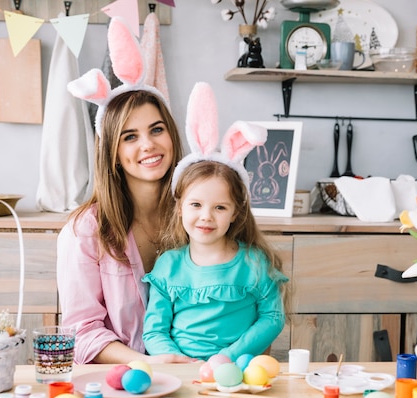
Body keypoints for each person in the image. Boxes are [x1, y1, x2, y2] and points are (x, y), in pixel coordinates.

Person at [57, 17, 193, 365]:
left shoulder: (196, 212)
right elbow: (82, 332)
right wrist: (144, 362)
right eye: (130, 137)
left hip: (198, 373)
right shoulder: (85, 230)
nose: (148, 145)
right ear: (112, 153)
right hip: (119, 385)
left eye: (157, 129)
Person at [142, 82, 289, 361]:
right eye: (196, 205)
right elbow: (154, 331)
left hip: (237, 368)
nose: (206, 216)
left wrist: (229, 356)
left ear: (235, 212)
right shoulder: (168, 266)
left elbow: (272, 318)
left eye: (220, 207)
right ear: (180, 207)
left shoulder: (254, 263)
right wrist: (176, 360)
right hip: (179, 371)